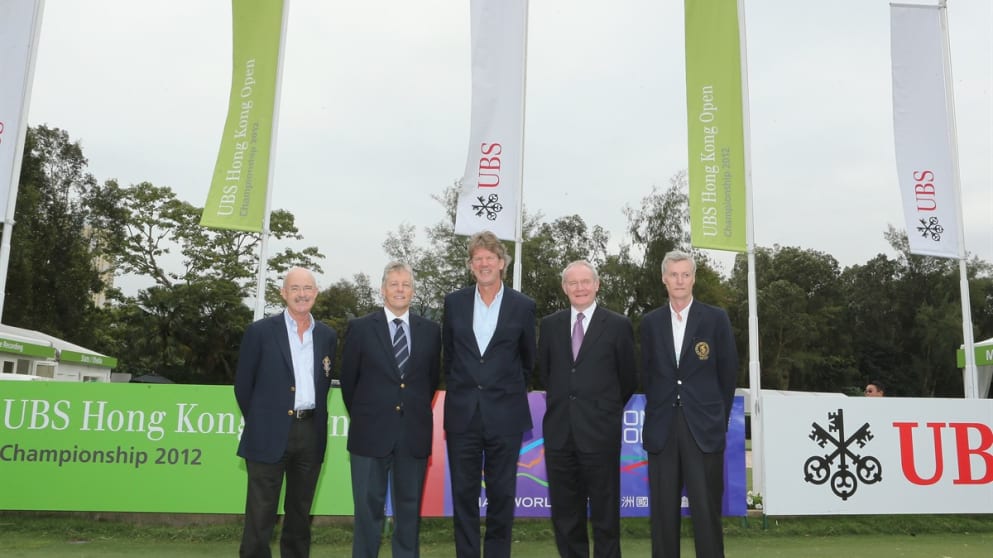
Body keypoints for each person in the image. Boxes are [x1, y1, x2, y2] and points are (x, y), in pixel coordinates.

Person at [443, 230, 537, 558]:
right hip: (462, 415)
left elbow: (528, 360)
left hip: (505, 416)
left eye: (489, 258)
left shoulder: (523, 306)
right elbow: (449, 357)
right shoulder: (453, 302)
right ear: (471, 266)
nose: (483, 263)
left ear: (501, 263)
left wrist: (503, 390)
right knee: (463, 496)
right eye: (477, 258)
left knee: (502, 496)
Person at [234, 266, 338, 558]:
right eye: (295, 288)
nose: (301, 294)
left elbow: (324, 382)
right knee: (260, 514)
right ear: (283, 293)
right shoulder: (260, 332)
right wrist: (263, 421)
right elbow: (243, 386)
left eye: (307, 288)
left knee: (300, 515)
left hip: (310, 432)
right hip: (268, 432)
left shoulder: (327, 336)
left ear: (316, 293)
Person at [640, 250, 738, 558]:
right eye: (674, 275)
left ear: (693, 279)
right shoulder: (650, 322)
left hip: (703, 430)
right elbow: (646, 374)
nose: (679, 280)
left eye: (685, 274)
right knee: (663, 516)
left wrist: (715, 420)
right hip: (663, 430)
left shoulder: (716, 318)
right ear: (664, 279)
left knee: (706, 514)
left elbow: (728, 374)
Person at [340, 261, 442, 558]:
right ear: (382, 289)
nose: (400, 289)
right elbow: (349, 382)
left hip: (413, 435)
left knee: (408, 516)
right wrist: (369, 414)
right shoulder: (360, 328)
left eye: (406, 284)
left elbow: (430, 381)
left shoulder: (431, 331)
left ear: (413, 291)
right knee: (366, 514)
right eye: (394, 284)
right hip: (369, 435)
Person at [537, 260, 638, 558]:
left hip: (600, 434)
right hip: (560, 435)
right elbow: (546, 374)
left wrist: (602, 411)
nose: (579, 288)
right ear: (564, 288)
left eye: (585, 282)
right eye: (573, 283)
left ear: (597, 285)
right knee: (566, 516)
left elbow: (628, 379)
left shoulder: (618, 325)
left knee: (605, 516)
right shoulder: (550, 325)